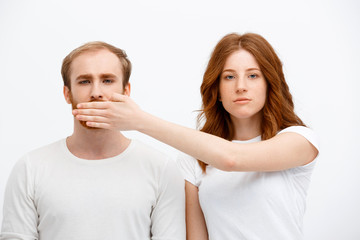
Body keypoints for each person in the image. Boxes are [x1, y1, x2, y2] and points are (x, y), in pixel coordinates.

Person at [71, 33, 319, 240]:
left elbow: (232, 159)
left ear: (269, 84)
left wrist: (139, 120)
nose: (240, 86)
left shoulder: (299, 139)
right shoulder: (193, 162)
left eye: (253, 75)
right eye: (229, 76)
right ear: (218, 90)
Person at [0, 42, 185, 240]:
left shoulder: (161, 168)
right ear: (67, 93)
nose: (96, 92)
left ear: (126, 91)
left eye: (107, 80)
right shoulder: (30, 168)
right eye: (84, 81)